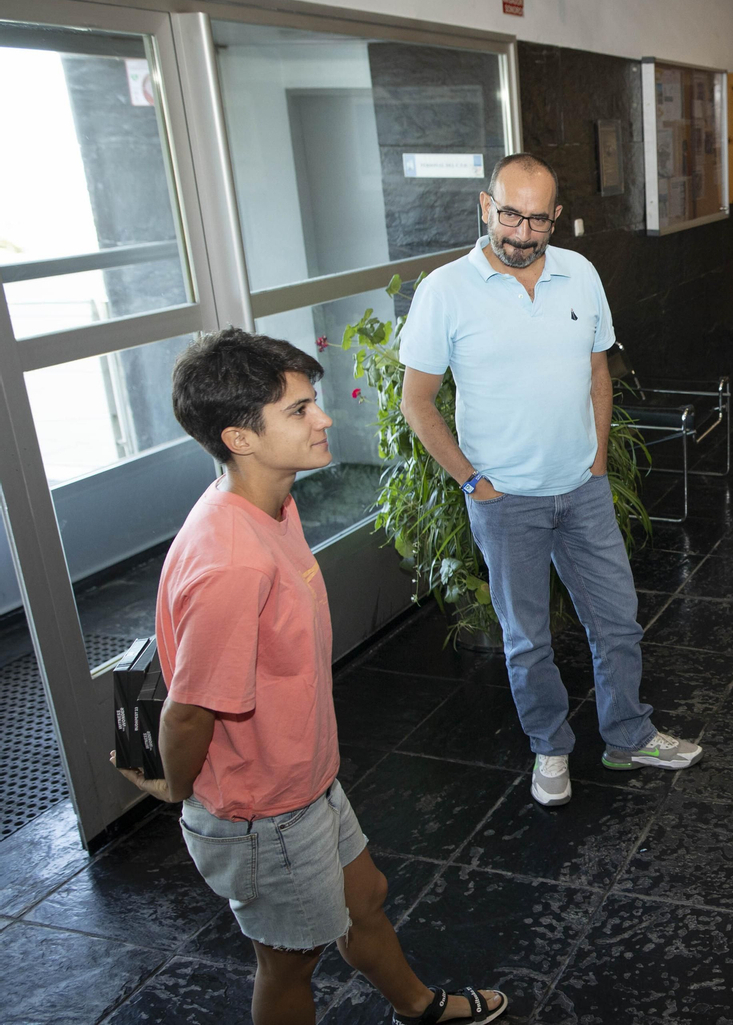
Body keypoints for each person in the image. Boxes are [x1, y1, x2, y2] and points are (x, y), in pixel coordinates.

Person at [113, 329, 506, 1025]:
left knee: (367, 899)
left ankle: (416, 1008)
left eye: (313, 401)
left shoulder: (274, 503)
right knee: (290, 964)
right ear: (240, 438)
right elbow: (187, 710)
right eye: (299, 411)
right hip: (264, 809)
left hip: (304, 779)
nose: (323, 418)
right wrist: (173, 789)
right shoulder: (232, 561)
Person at [398, 153, 701, 808]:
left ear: (555, 218)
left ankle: (627, 735)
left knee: (618, 623)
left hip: (582, 490)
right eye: (509, 214)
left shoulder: (581, 274)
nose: (521, 232)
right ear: (485, 206)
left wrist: (595, 462)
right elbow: (416, 401)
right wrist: (471, 480)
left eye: (538, 219)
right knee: (527, 639)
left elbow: (598, 370)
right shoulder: (445, 291)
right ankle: (550, 748)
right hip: (505, 501)